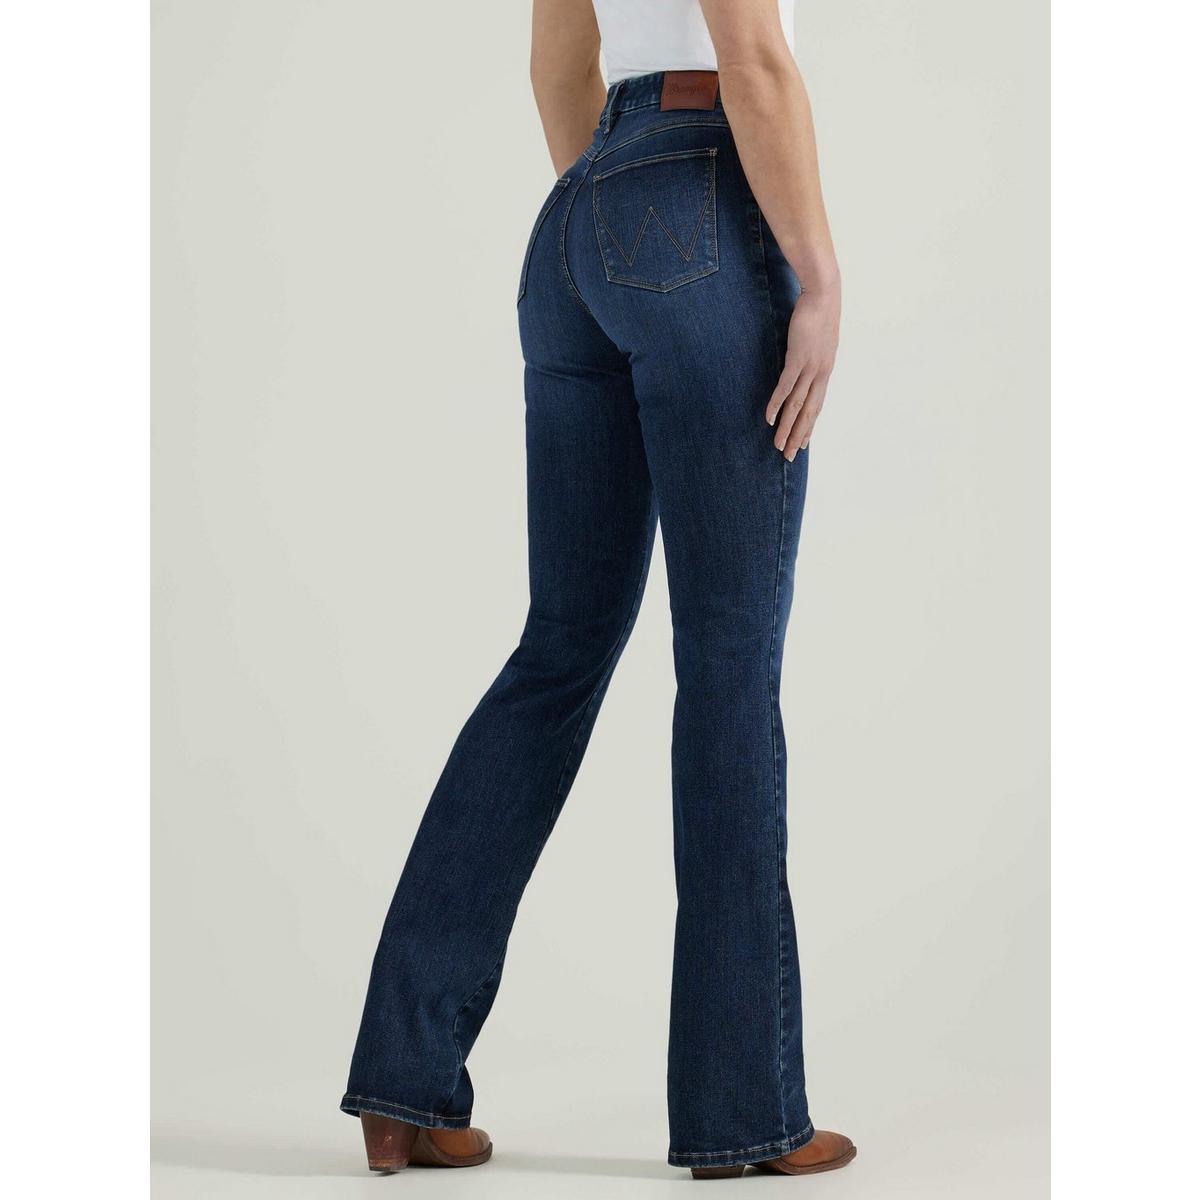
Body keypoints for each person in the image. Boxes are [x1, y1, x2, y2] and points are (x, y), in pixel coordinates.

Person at [341, 0, 855, 1179]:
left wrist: (622, 221)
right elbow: (753, 57)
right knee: (727, 665)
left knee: (559, 648)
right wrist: (819, 278)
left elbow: (558, 60)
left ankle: (404, 1083)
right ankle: (743, 1115)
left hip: (579, 223)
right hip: (706, 192)